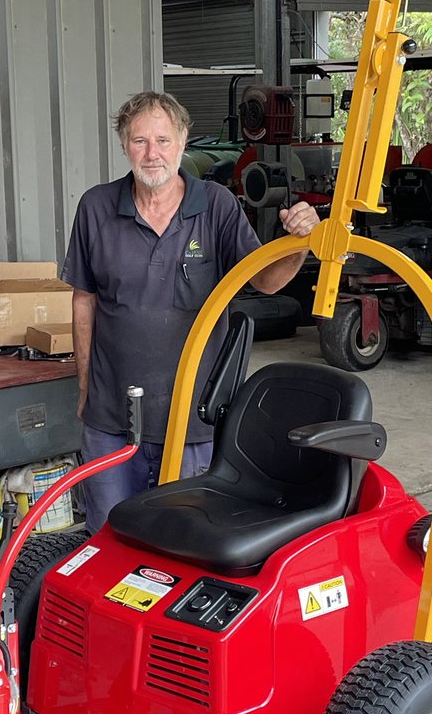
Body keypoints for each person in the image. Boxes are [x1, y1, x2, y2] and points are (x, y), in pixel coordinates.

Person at [61, 90, 319, 534]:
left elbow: (265, 280)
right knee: (106, 540)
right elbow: (84, 300)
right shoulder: (95, 207)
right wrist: (85, 387)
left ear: (182, 142)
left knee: (182, 544)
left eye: (163, 140)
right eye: (140, 141)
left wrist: (299, 244)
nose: (153, 153)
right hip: (111, 421)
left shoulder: (216, 205)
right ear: (124, 145)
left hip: (193, 424)